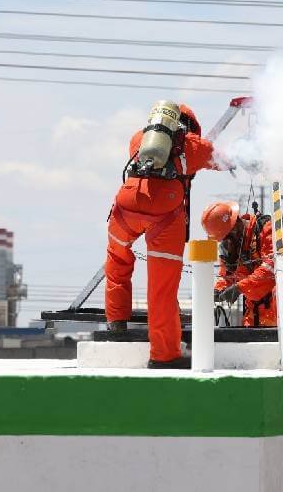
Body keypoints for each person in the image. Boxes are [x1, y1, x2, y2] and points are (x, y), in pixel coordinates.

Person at [103, 101, 220, 369]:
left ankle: (116, 321)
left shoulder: (139, 138)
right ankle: (164, 355)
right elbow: (225, 160)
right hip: (165, 214)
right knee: (162, 289)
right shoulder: (193, 146)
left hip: (127, 207)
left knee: (118, 264)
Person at [201, 200, 283, 327]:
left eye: (227, 237)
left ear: (236, 225)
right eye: (222, 240)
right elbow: (227, 276)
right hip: (258, 307)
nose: (226, 243)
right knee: (248, 335)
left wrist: (239, 287)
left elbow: (272, 268)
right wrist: (219, 290)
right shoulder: (232, 247)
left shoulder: (267, 229)